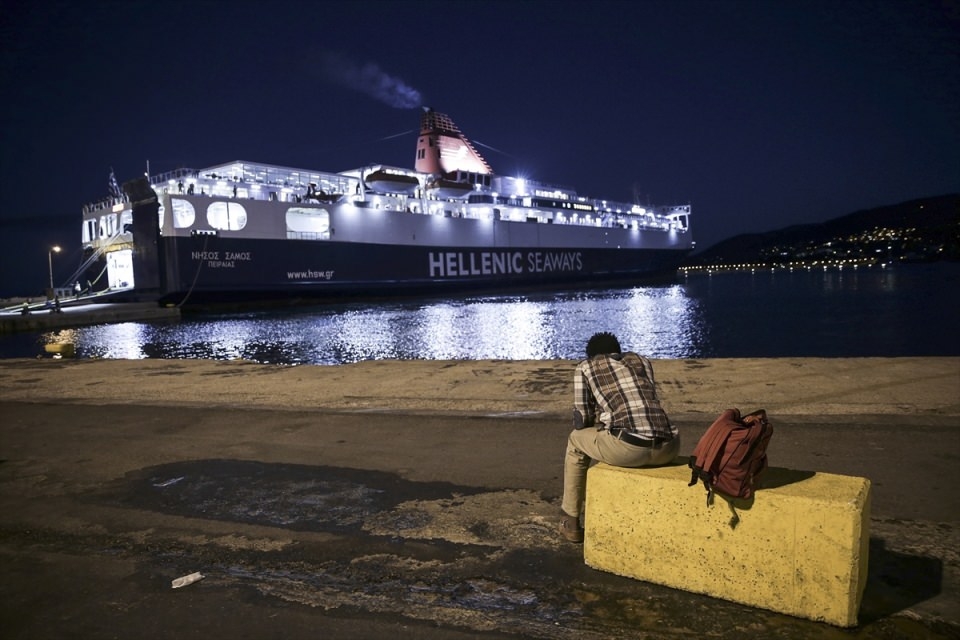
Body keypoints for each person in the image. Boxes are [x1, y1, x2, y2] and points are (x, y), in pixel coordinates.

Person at [559, 331, 680, 543]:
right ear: (618, 349)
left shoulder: (585, 367)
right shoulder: (641, 361)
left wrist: (599, 424)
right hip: (669, 447)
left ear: (591, 354)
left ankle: (571, 520)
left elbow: (582, 420)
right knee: (613, 433)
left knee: (576, 440)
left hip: (631, 450)